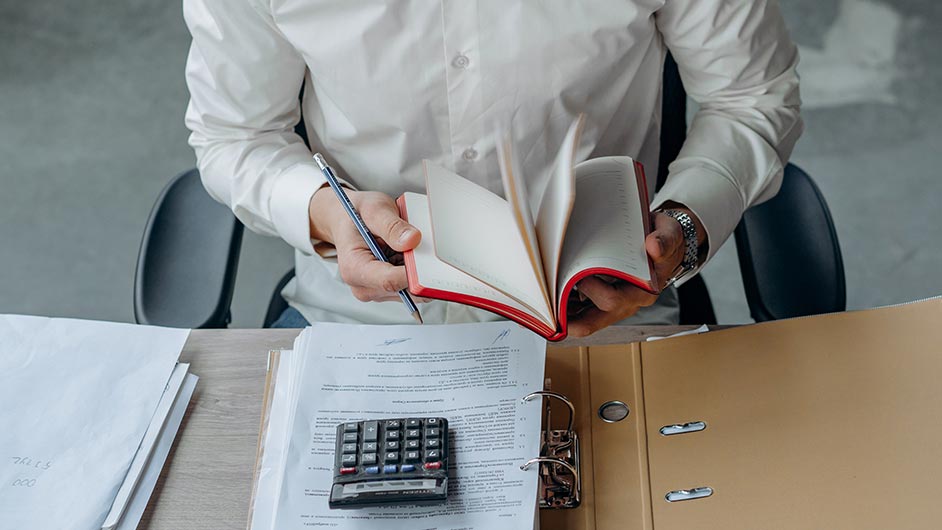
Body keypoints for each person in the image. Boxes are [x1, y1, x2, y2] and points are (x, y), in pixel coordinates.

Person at [183, 0, 802, 335]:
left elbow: (751, 98)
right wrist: (325, 211)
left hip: (600, 313)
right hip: (363, 322)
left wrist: (684, 225)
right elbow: (235, 136)